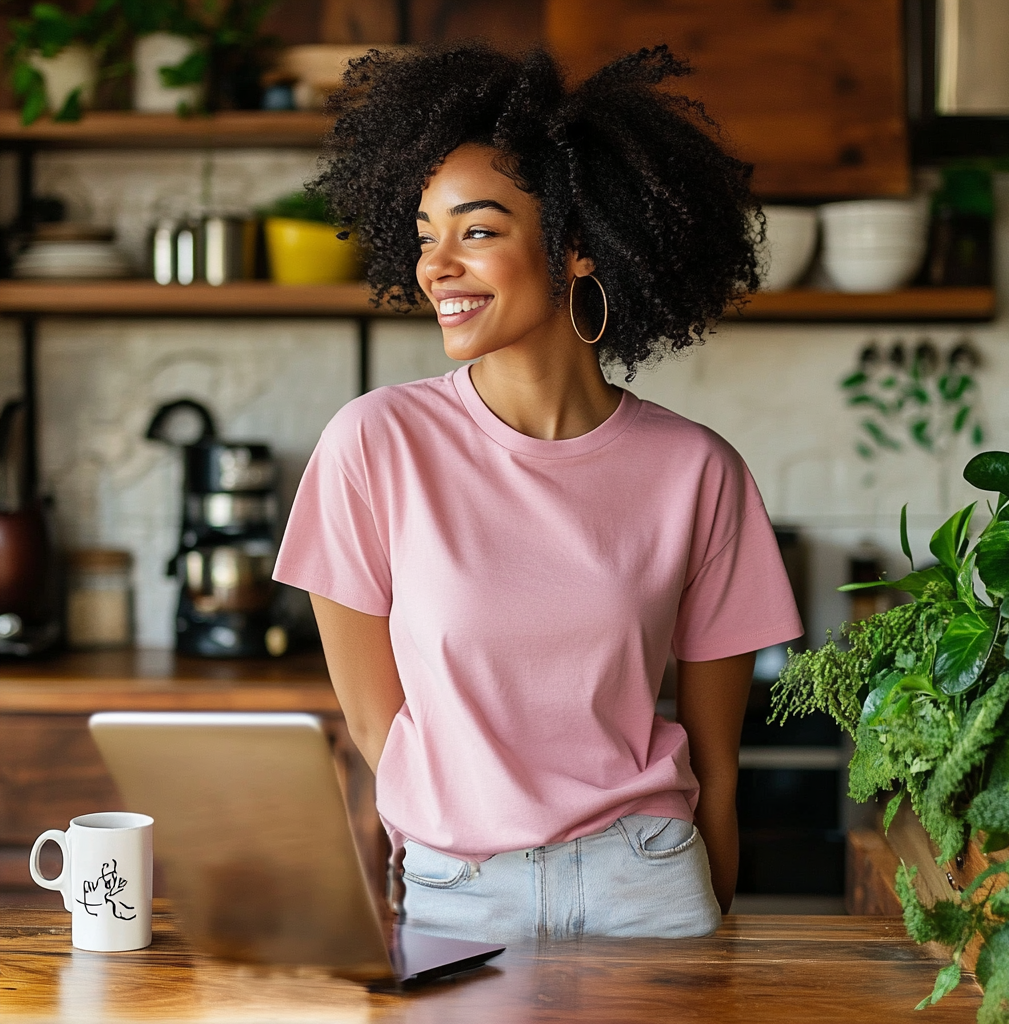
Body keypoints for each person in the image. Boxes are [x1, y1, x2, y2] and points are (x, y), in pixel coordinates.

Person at [274, 42, 803, 943]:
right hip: (460, 893)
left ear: (580, 247)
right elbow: (374, 723)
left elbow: (718, 763)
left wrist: (715, 940)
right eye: (425, 232)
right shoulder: (373, 445)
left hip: (652, 888)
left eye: (476, 230)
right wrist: (456, 841)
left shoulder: (699, 472)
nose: (435, 265)